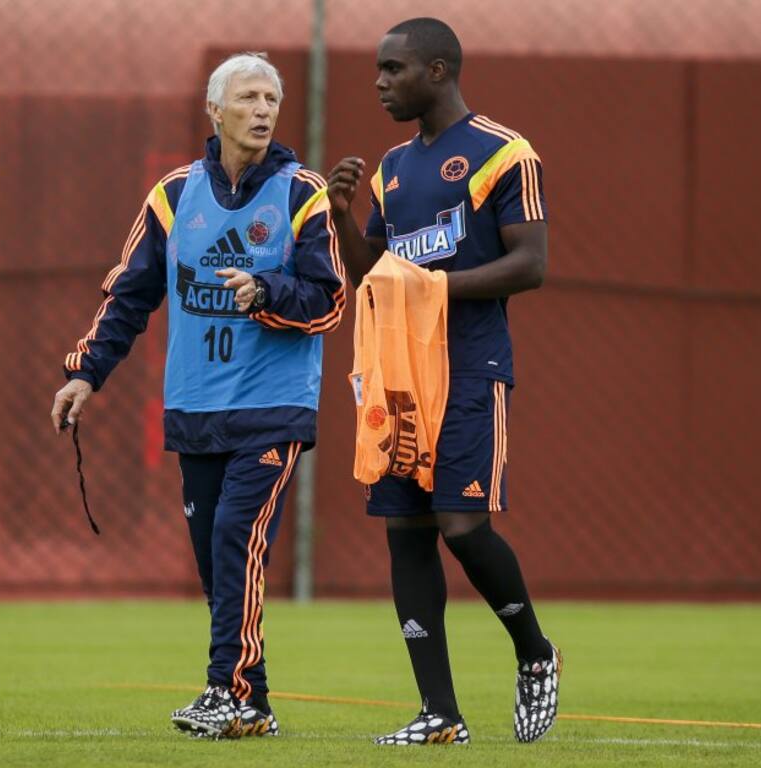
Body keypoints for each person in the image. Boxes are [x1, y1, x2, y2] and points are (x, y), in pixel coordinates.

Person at [49, 52, 344, 740]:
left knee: (237, 539)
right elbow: (130, 294)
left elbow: (328, 303)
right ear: (215, 111)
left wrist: (266, 291)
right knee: (219, 563)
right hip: (196, 407)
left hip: (273, 408)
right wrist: (84, 373)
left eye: (271, 97)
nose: (263, 109)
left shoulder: (303, 192)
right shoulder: (174, 195)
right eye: (247, 97)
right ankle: (255, 704)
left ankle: (227, 690)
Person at [326, 17, 561, 746]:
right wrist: (341, 218)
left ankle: (535, 652)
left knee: (461, 527)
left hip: (470, 369)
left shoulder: (504, 153)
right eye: (377, 70)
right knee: (406, 533)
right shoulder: (395, 169)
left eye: (392, 69)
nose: (379, 83)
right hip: (403, 373)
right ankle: (440, 715)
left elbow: (531, 264)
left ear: (437, 70)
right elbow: (375, 275)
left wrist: (435, 290)